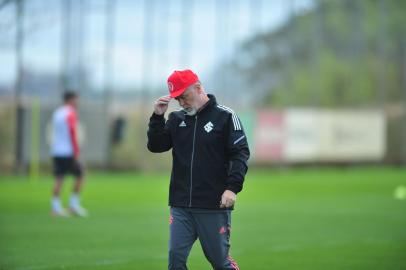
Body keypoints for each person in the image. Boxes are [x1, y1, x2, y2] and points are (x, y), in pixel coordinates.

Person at [147, 69, 250, 269]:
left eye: (184, 97)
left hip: (213, 205)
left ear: (198, 88)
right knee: (175, 260)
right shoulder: (177, 119)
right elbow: (156, 146)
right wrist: (157, 117)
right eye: (177, 99)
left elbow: (240, 154)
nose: (182, 103)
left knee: (220, 263)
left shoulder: (226, 116)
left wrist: (232, 188)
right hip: (180, 205)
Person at [50, 91, 87, 217]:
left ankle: (55, 207)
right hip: (68, 151)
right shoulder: (70, 113)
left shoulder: (57, 113)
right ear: (70, 100)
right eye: (76, 100)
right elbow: (72, 132)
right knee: (80, 175)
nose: (78, 102)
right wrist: (76, 151)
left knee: (59, 178)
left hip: (56, 150)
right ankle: (73, 205)